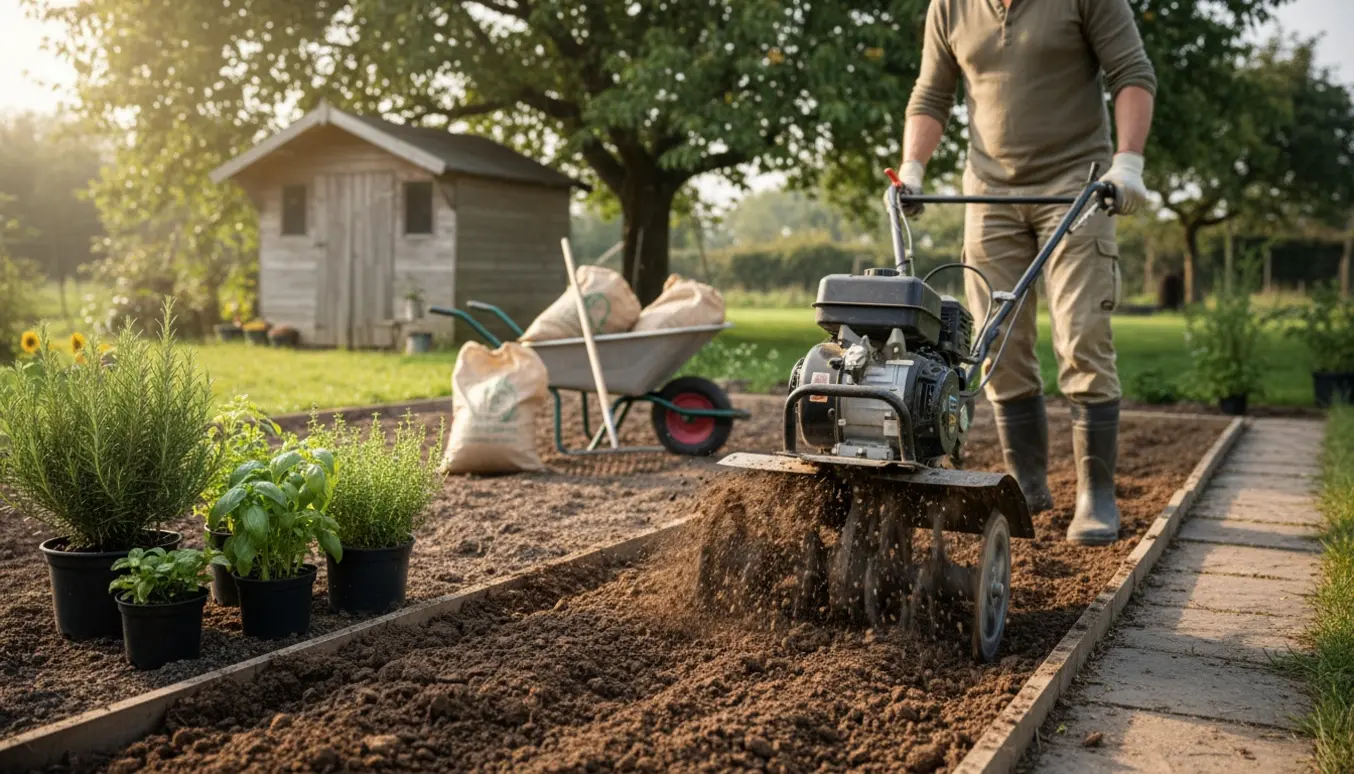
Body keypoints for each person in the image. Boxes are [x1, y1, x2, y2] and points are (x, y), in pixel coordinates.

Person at [899, 0, 1156, 545]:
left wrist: (1128, 162)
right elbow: (932, 93)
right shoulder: (949, 6)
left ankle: (1096, 496)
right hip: (988, 191)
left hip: (1078, 187)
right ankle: (1031, 486)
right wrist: (914, 169)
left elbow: (1131, 73)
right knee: (995, 343)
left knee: (1083, 336)